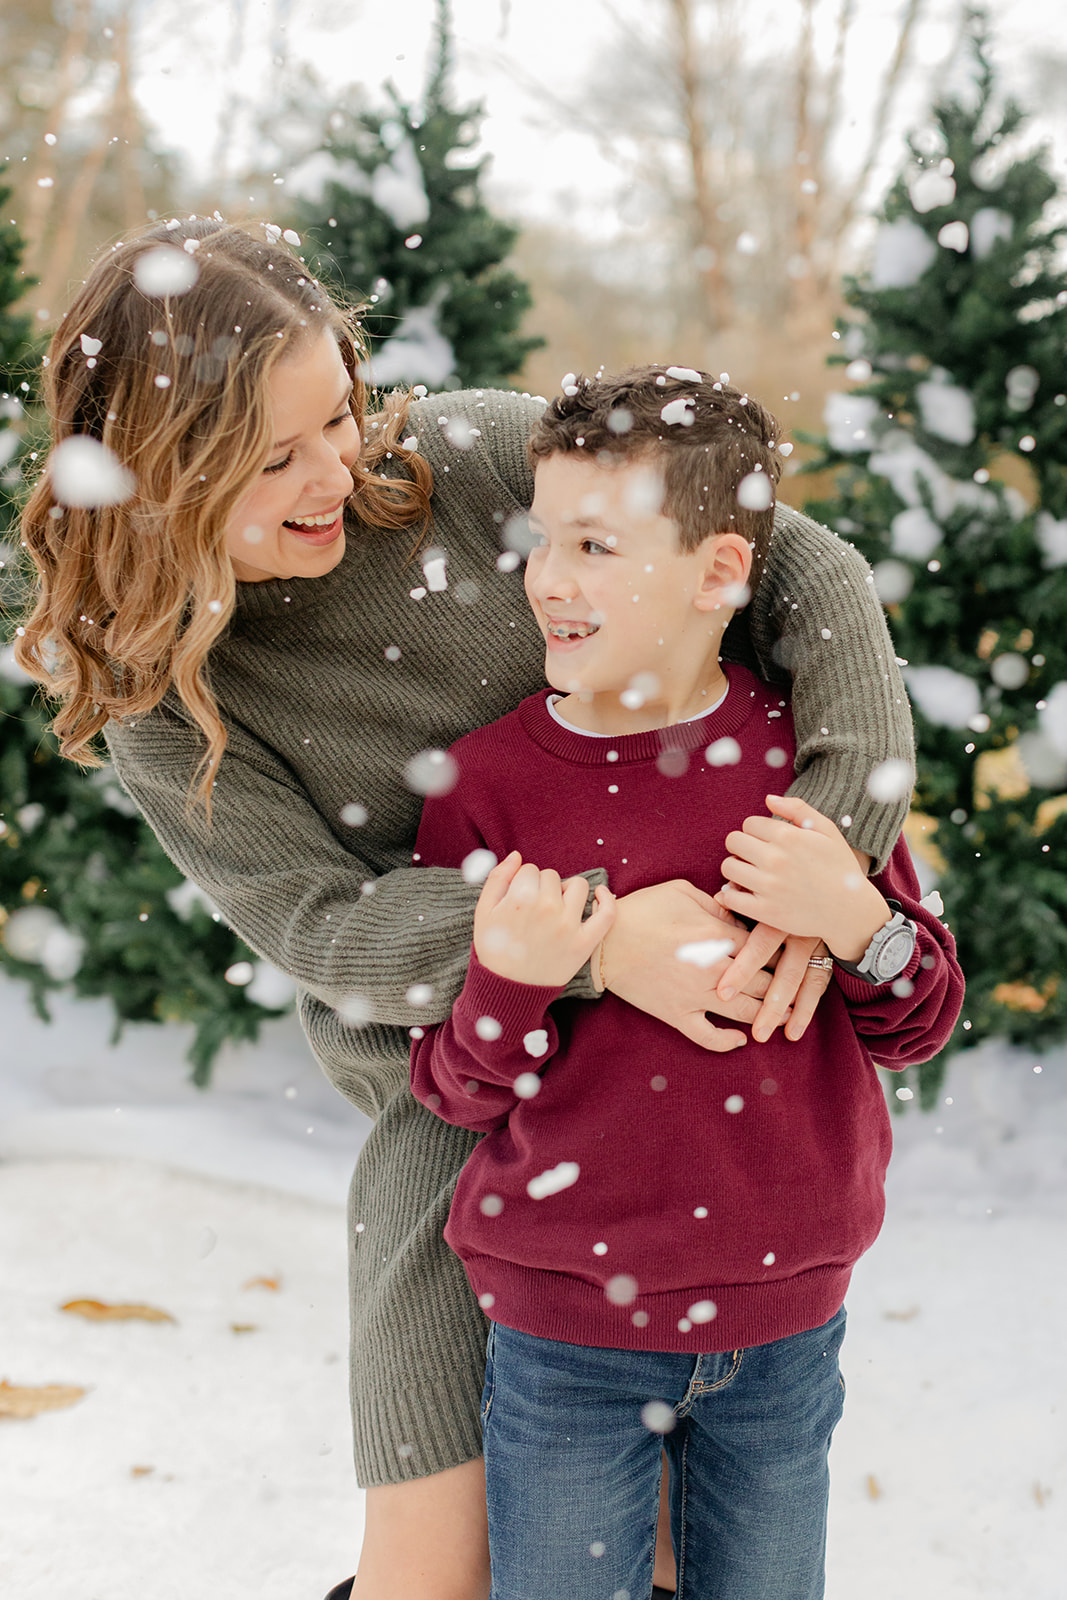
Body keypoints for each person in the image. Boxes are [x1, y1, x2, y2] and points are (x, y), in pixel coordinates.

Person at [14, 221, 916, 1600]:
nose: (338, 472)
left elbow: (809, 573)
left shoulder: (475, 462)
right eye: (274, 458)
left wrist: (829, 860)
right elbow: (322, 927)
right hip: (458, 1128)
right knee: (430, 1575)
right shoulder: (165, 692)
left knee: (684, 1557)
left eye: (338, 414)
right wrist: (593, 936)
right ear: (164, 473)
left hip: (684, 1123)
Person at [410, 368, 965, 1600]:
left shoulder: (805, 765)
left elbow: (919, 1015)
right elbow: (450, 1089)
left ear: (719, 571)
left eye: (596, 545)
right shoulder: (486, 787)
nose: (548, 578)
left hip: (785, 1327)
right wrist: (511, 981)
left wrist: (853, 918)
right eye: (540, 539)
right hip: (564, 1338)